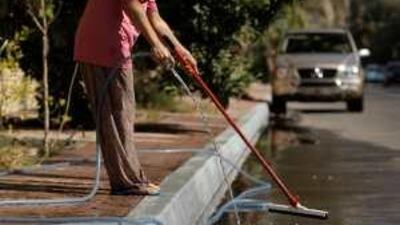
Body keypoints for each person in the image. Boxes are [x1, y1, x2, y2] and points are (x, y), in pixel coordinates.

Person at [74, 0, 197, 195]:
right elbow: (131, 6)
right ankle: (127, 182)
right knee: (116, 118)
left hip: (113, 46)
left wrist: (178, 48)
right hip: (100, 45)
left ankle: (131, 179)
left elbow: (154, 18)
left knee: (123, 114)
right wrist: (156, 44)